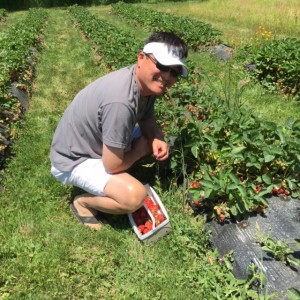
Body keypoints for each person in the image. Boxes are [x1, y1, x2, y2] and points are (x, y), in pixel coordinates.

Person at [50, 31, 188, 230]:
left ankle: (117, 172)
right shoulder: (120, 101)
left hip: (94, 144)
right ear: (141, 58)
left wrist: (156, 137)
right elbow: (112, 166)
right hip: (73, 160)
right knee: (134, 197)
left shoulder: (145, 85)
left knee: (150, 138)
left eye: (174, 72)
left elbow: (147, 117)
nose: (167, 76)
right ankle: (83, 203)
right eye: (162, 66)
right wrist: (141, 149)